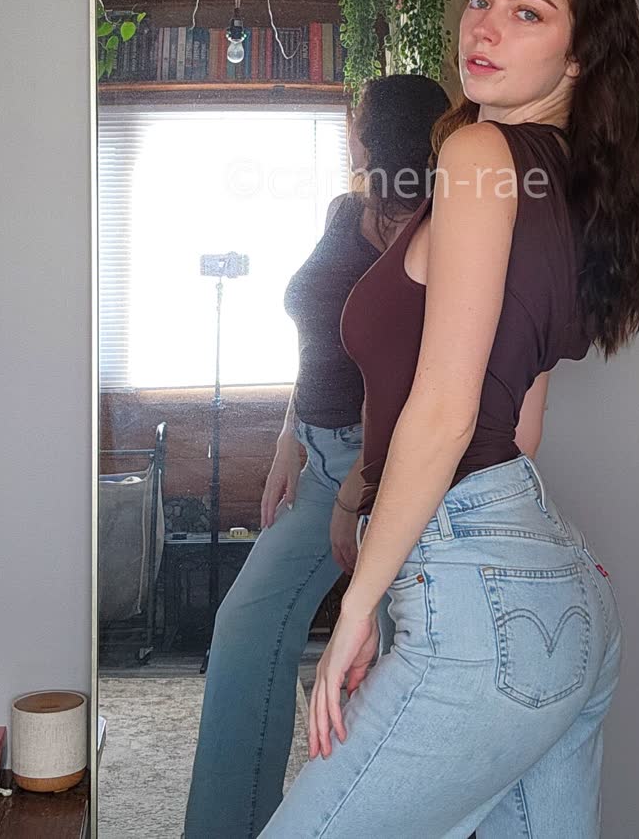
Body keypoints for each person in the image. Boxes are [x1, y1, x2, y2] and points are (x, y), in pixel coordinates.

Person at [258, 0, 639, 839]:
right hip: (558, 588)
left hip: (477, 589)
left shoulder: (481, 158)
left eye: (529, 13)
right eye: (481, 0)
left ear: (580, 54)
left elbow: (448, 413)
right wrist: (369, 505)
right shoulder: (574, 187)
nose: (484, 27)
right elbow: (520, 427)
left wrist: (356, 610)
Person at [184, 74, 455, 839]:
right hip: (320, 457)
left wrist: (354, 493)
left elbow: (407, 375)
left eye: (358, 118)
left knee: (390, 673)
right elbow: (316, 345)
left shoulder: (431, 230)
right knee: (245, 629)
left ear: (382, 135)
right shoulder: (345, 213)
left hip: (387, 472)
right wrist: (287, 441)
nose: (350, 129)